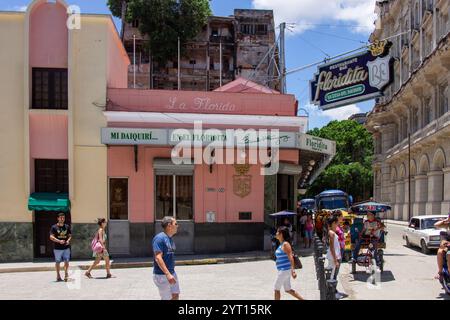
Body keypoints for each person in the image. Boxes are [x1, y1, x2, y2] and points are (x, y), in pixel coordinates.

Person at [273, 226, 304, 300]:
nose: (276, 233)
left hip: (284, 270)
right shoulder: (281, 244)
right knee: (288, 289)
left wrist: (293, 271)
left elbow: (291, 258)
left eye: (277, 232)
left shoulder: (286, 244)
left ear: (281, 234)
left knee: (276, 288)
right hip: (284, 270)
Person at [152, 216, 180, 300]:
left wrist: (171, 274)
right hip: (162, 275)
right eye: (176, 224)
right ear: (169, 225)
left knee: (175, 295)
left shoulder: (169, 238)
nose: (177, 226)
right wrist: (168, 274)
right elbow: (158, 258)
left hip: (172, 272)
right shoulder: (159, 238)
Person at [49, 213, 72, 282]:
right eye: (61, 218)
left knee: (66, 261)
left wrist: (68, 240)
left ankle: (66, 275)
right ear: (58, 218)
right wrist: (59, 241)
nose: (62, 219)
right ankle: (58, 276)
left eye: (63, 218)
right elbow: (51, 237)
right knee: (58, 262)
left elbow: (70, 235)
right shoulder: (54, 227)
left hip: (66, 248)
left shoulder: (67, 227)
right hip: (57, 248)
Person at [326, 216, 342, 300]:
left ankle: (333, 292)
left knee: (333, 275)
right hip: (333, 258)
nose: (337, 225)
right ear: (333, 223)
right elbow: (332, 248)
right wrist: (336, 260)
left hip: (334, 257)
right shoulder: (331, 233)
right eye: (336, 223)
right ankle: (332, 294)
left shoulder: (331, 232)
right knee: (332, 276)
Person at [434, 214, 450, 281]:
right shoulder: (447, 225)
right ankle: (440, 272)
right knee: (441, 252)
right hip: (448, 245)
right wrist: (445, 220)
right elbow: (436, 225)